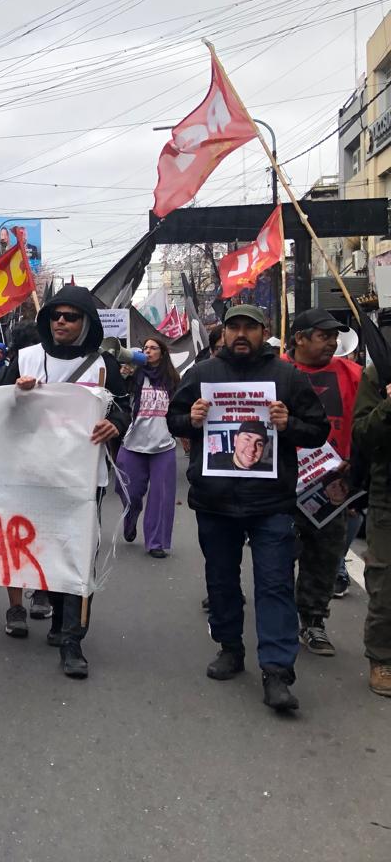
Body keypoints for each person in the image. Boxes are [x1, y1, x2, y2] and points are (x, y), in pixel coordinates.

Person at [167, 304, 329, 712]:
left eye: (250, 328)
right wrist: (192, 419)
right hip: (216, 502)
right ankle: (230, 648)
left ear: (265, 332)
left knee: (274, 584)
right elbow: (173, 419)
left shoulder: (286, 377)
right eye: (234, 327)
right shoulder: (203, 375)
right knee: (221, 580)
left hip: (271, 503)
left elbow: (318, 430)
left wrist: (289, 423)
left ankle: (276, 672)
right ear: (223, 333)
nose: (241, 334)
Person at [0, 287, 129, 676]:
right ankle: (54, 615)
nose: (61, 322)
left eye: (71, 316)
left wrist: (115, 423)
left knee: (77, 551)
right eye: (56, 315)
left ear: (85, 322)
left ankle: (72, 640)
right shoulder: (26, 359)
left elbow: (124, 405)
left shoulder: (103, 364)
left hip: (84, 476)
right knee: (43, 547)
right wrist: (12, 393)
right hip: (33, 473)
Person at [282, 308, 364, 656]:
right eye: (324, 335)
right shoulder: (275, 372)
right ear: (300, 338)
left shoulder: (353, 373)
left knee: (324, 556)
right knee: (279, 556)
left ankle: (313, 622)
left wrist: (356, 470)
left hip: (333, 485)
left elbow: (363, 423)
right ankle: (280, 619)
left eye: (335, 336)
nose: (333, 342)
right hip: (284, 484)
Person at [116, 337, 180, 558]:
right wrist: (124, 372)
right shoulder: (134, 376)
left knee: (161, 496)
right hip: (133, 444)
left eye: (153, 348)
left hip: (163, 445)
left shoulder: (171, 379)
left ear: (162, 353)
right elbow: (117, 396)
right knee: (130, 492)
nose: (148, 351)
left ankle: (156, 542)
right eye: (145, 348)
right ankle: (131, 516)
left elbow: (180, 408)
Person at [352, 352, 391, 697]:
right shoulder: (381, 372)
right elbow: (363, 434)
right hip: (388, 499)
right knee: (386, 584)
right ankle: (382, 657)